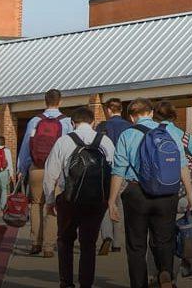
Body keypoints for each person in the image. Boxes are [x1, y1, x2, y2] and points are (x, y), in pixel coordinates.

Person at [109, 99, 192, 288]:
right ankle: (165, 271)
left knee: (136, 245)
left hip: (137, 193)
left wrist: (111, 201)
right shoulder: (171, 133)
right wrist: (189, 194)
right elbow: (182, 166)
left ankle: (139, 284)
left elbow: (118, 170)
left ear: (132, 117)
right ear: (150, 113)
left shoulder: (127, 135)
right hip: (167, 193)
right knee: (164, 239)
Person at [45, 106, 112, 288]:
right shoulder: (105, 141)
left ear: (72, 123)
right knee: (88, 244)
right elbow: (113, 172)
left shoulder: (64, 141)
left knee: (65, 241)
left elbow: (51, 173)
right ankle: (86, 283)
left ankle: (66, 282)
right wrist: (110, 200)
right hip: (96, 200)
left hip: (69, 199)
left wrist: (50, 200)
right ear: (93, 122)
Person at [20, 89, 75, 257]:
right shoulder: (66, 122)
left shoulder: (35, 121)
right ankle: (49, 246)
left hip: (36, 168)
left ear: (45, 101)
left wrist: (22, 169)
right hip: (56, 170)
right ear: (60, 102)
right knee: (52, 206)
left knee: (36, 204)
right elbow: (69, 148)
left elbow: (25, 148)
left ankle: (35, 242)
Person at [95, 99, 133, 256]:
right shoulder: (130, 127)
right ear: (121, 109)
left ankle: (107, 235)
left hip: (106, 171)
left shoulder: (102, 127)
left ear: (109, 110)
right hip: (124, 172)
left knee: (105, 204)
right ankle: (117, 243)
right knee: (119, 204)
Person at [0, 143, 14, 213]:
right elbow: (10, 163)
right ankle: (3, 206)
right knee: (4, 189)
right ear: (4, 143)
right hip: (4, 172)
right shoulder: (7, 151)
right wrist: (11, 174)